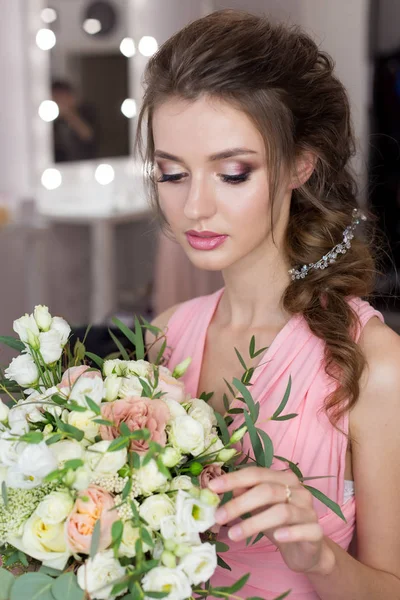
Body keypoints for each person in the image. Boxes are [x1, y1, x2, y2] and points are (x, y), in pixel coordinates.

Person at [137, 10, 400, 600]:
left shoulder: (375, 366)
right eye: (172, 173)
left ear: (299, 165)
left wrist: (319, 558)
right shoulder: (164, 339)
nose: (195, 207)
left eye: (232, 173)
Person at [51, 80, 97, 162]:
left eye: (62, 97)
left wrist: (68, 114)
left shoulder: (87, 112)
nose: (59, 102)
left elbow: (88, 136)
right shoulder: (51, 121)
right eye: (56, 98)